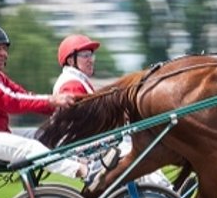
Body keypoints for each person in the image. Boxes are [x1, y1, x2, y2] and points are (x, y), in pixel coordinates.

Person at [0, 25, 110, 190]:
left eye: (4, 49)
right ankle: (86, 172)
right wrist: (52, 101)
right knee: (31, 148)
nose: (3, 53)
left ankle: (84, 163)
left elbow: (23, 95)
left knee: (45, 135)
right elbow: (9, 100)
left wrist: (59, 108)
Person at [53, 34, 172, 189]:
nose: (91, 59)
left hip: (88, 142)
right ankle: (166, 191)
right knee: (138, 150)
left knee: (137, 145)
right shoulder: (71, 83)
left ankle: (164, 191)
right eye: (85, 55)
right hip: (83, 147)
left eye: (91, 55)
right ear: (70, 60)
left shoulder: (77, 80)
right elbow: (86, 119)